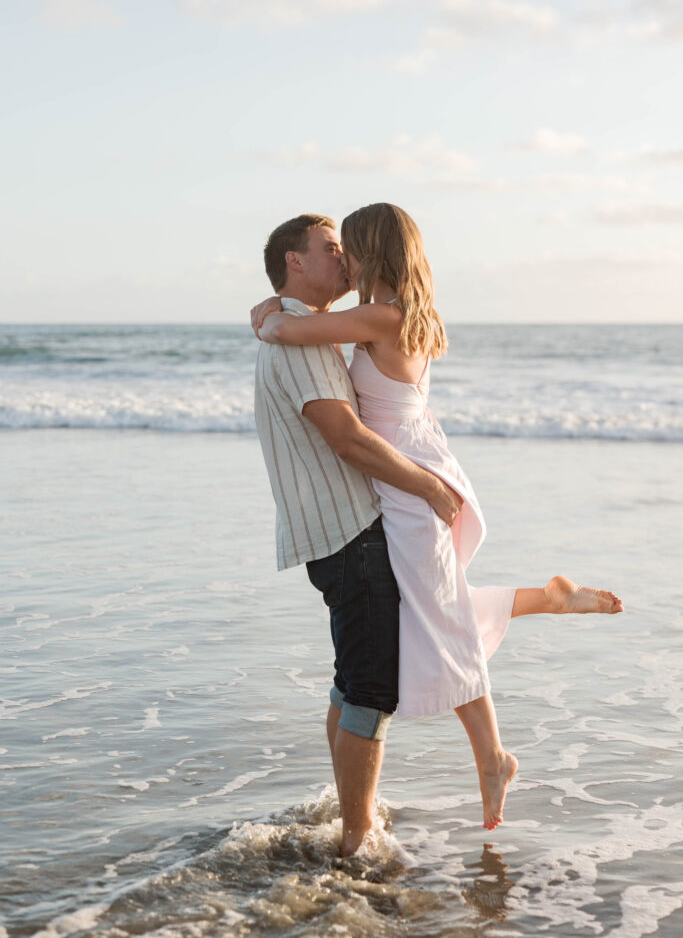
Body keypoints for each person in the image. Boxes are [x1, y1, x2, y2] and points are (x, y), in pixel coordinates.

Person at [252, 203, 624, 840]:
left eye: (350, 248)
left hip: (409, 479)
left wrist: (265, 314)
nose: (342, 258)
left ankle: (492, 755)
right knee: (433, 610)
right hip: (414, 466)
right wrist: (278, 311)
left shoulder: (378, 317)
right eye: (331, 248)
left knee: (439, 612)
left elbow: (290, 336)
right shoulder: (398, 316)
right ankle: (547, 602)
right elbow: (312, 337)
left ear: (372, 254)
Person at [252, 213, 462, 857]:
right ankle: (355, 841)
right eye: (330, 249)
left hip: (333, 531)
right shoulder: (304, 340)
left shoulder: (293, 326)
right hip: (351, 533)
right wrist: (429, 487)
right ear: (296, 260)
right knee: (371, 687)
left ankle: (352, 815)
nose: (343, 260)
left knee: (352, 680)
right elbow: (347, 438)